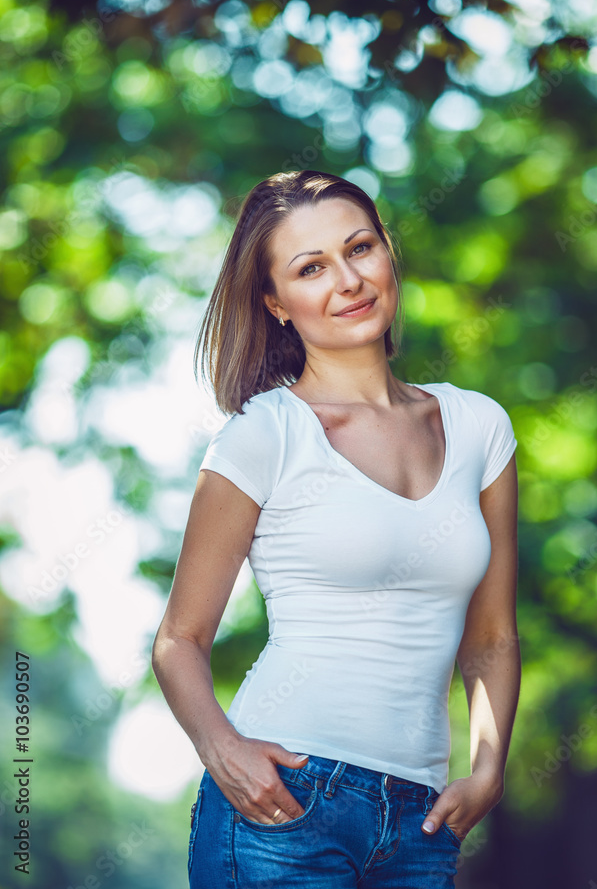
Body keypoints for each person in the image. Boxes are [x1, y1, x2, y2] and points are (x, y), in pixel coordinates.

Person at [152, 169, 520, 889]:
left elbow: (491, 638)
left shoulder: (480, 425)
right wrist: (221, 750)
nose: (347, 280)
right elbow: (179, 640)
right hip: (285, 805)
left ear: (388, 254)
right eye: (310, 268)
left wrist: (487, 768)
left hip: (421, 820)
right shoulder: (264, 434)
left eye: (360, 249)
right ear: (275, 302)